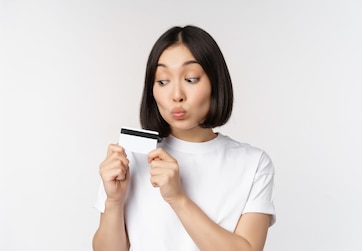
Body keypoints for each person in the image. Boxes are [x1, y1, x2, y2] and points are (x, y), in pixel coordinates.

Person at [92, 25, 276, 251]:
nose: (176, 95)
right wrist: (113, 201)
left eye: (190, 79)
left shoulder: (253, 164)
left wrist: (178, 198)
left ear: (215, 83)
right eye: (162, 81)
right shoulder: (130, 155)